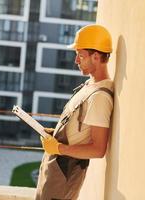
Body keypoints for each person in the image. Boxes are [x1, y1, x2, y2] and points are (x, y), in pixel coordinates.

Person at [35, 24, 114, 200]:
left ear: (96, 56)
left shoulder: (100, 97)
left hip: (65, 174)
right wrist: (55, 135)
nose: (76, 60)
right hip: (55, 170)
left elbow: (98, 149)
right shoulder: (88, 86)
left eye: (80, 55)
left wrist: (59, 148)